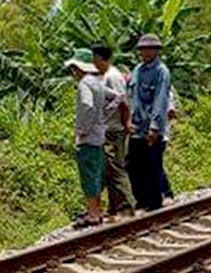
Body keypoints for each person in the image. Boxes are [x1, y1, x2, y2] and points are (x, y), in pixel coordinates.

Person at [126, 34, 172, 212]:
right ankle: (141, 200)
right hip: (136, 127)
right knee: (133, 166)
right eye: (141, 49)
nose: (143, 52)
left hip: (151, 128)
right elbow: (132, 97)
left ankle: (154, 203)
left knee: (152, 166)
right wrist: (128, 121)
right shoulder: (137, 69)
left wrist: (155, 128)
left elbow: (160, 101)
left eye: (147, 49)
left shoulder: (161, 71)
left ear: (156, 51)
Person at [65, 48, 109, 227]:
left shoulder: (84, 84)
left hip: (88, 138)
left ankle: (92, 214)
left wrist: (83, 128)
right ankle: (97, 211)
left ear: (79, 68)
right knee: (97, 174)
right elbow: (115, 99)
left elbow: (87, 105)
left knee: (88, 175)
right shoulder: (98, 82)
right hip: (99, 135)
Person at [92, 44, 136, 218]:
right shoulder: (103, 76)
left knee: (116, 168)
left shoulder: (113, 76)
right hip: (106, 129)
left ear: (104, 59)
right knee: (108, 168)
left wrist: (126, 124)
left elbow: (123, 102)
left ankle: (127, 207)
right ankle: (114, 207)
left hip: (114, 129)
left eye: (95, 59)